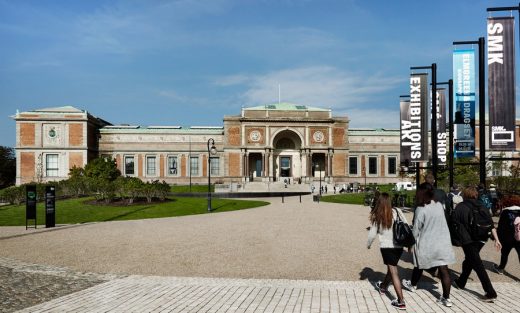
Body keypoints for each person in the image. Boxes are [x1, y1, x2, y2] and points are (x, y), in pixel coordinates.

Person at [401, 183, 456, 307]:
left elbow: (416, 230)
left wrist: (410, 243)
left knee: (419, 263)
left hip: (428, 242)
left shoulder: (421, 209)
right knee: (444, 270)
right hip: (442, 241)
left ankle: (413, 284)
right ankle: (446, 298)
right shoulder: (438, 205)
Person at [451, 186, 502, 302]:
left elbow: (454, 224)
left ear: (464, 195)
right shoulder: (482, 206)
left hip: (468, 240)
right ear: (475, 195)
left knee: (477, 265)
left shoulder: (460, 207)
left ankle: (490, 292)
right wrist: (497, 239)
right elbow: (491, 224)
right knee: (470, 260)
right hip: (482, 239)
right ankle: (461, 282)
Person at [367, 192, 407, 310]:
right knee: (392, 268)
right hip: (399, 246)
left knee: (393, 271)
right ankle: (384, 287)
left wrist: (368, 245)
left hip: (387, 247)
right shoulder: (397, 211)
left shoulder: (378, 215)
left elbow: (372, 234)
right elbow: (406, 225)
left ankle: (400, 301)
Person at [493, 196, 520, 274]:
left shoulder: (505, 212)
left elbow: (501, 227)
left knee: (504, 254)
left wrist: (498, 239)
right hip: (519, 237)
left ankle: (501, 268)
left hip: (507, 237)